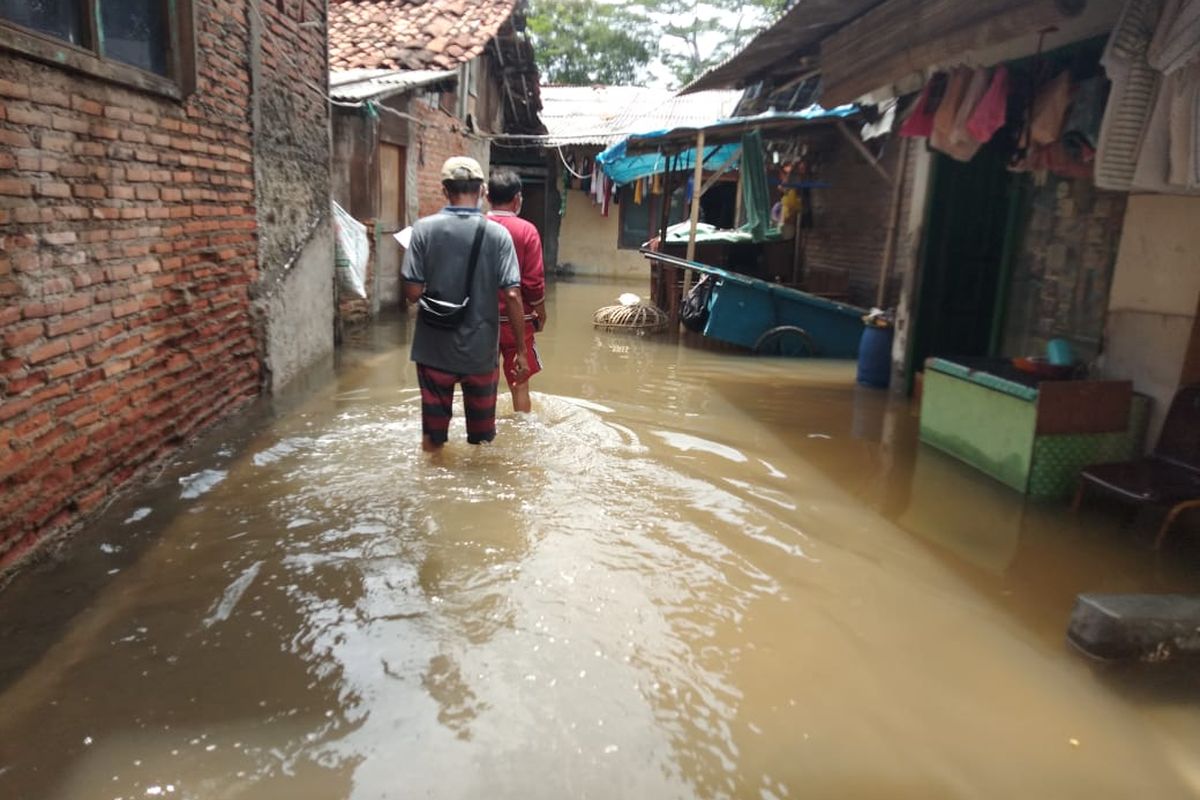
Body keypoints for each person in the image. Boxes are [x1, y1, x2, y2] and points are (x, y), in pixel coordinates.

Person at [402, 156, 528, 451]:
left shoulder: (422, 230)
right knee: (483, 442)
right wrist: (520, 351)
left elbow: (411, 293)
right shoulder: (499, 235)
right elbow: (512, 295)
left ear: (445, 191)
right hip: (480, 353)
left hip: (433, 351)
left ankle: (432, 487)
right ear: (483, 191)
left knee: (433, 440)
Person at [486, 169, 546, 413]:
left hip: (481, 320)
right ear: (517, 198)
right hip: (517, 321)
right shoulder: (526, 230)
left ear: (487, 196)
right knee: (520, 383)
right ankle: (524, 433)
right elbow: (532, 283)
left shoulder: (476, 226)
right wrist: (541, 312)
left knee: (483, 385)